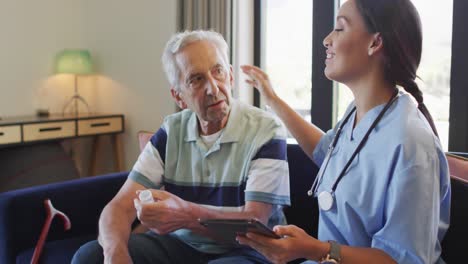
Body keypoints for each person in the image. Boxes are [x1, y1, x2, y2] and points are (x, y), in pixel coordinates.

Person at [237, 0, 450, 263]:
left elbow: (404, 259)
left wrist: (315, 249)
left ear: (374, 43)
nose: (327, 39)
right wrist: (272, 99)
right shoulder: (357, 114)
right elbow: (329, 152)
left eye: (339, 28)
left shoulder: (411, 143)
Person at [72, 30, 290, 264]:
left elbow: (253, 226)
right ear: (179, 96)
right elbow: (118, 208)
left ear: (231, 77)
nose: (213, 88)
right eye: (196, 79)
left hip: (248, 250)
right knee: (89, 256)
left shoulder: (266, 129)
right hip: (182, 245)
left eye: (218, 71)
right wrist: (115, 254)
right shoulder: (171, 131)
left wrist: (186, 216)